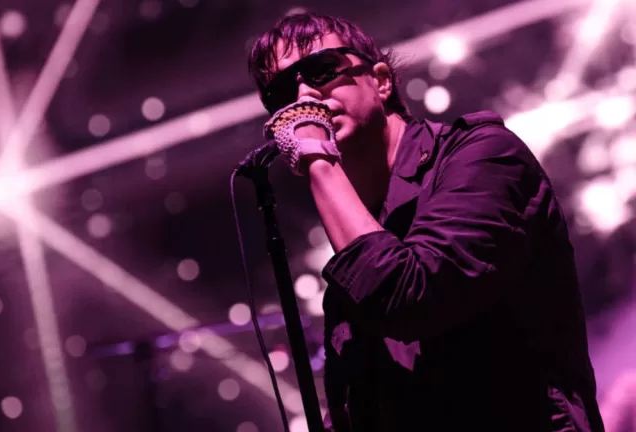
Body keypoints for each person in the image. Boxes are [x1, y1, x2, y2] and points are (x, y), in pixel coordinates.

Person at [247, 13, 605, 432]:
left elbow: (412, 297)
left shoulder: (483, 156)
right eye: (282, 92)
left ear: (381, 81)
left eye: (322, 70)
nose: (303, 96)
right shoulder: (356, 233)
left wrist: (317, 159)